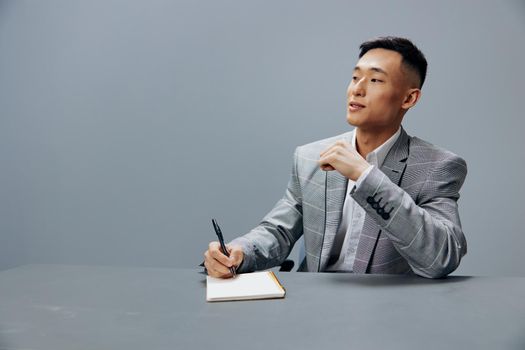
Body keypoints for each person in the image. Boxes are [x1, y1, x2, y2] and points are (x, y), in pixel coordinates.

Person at [203, 36, 467, 279]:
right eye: (355, 78)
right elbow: (278, 231)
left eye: (375, 80)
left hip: (389, 312)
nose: (357, 90)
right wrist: (240, 251)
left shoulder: (437, 166)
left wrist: (365, 176)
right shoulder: (310, 157)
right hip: (314, 307)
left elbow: (441, 257)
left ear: (409, 98)